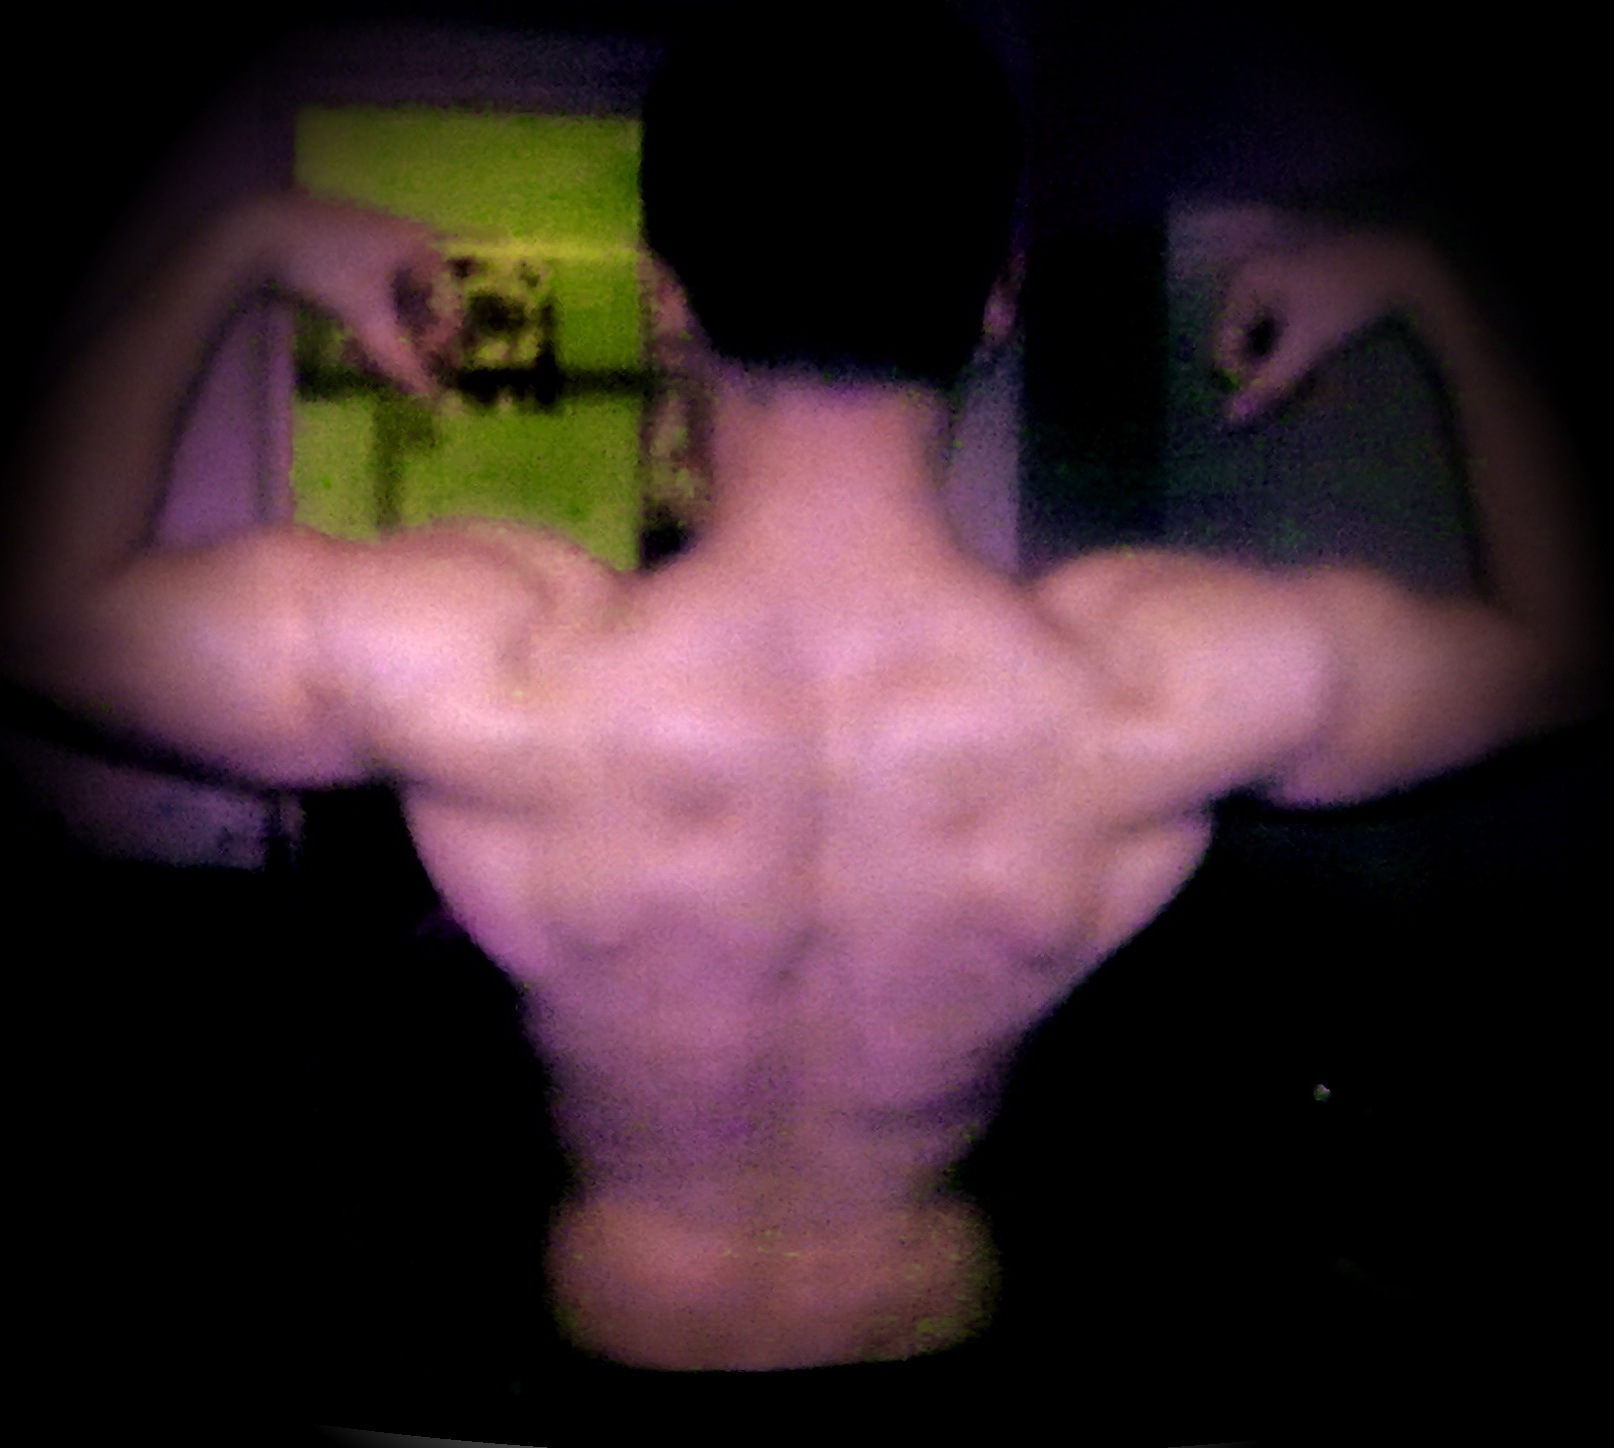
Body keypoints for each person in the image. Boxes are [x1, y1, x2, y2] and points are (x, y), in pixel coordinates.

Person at [2, 5, 1593, 1375]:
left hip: (609, 1350)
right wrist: (1417, 284)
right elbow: (1556, 642)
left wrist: (246, 246)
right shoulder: (1139, 689)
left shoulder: (494, 664)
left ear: (665, 294)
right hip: (934, 1347)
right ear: (995, 295)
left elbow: (50, 615)